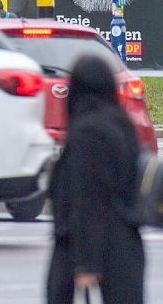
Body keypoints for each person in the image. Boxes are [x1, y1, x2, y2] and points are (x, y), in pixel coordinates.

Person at [45, 54, 144, 304]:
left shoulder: (86, 133)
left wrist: (85, 264)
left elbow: (87, 197)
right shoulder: (122, 126)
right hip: (127, 246)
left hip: (86, 248)